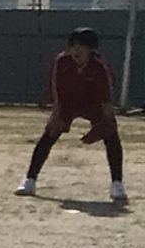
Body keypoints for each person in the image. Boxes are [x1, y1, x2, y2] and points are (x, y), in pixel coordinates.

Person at [15, 26, 126, 204]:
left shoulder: (99, 67)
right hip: (68, 102)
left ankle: (117, 184)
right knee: (49, 134)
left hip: (93, 104)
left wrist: (107, 123)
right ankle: (30, 180)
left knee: (112, 136)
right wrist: (56, 115)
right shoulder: (62, 62)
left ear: (91, 49)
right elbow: (57, 90)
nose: (76, 50)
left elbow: (105, 100)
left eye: (82, 46)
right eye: (73, 45)